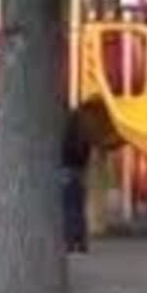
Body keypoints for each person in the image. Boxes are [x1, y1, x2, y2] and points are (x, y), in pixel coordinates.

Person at [61, 105, 93, 253]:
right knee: (79, 209)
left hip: (66, 172)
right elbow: (86, 155)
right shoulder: (84, 138)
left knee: (68, 209)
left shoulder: (66, 136)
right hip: (81, 173)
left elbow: (62, 153)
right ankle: (82, 242)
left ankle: (69, 241)